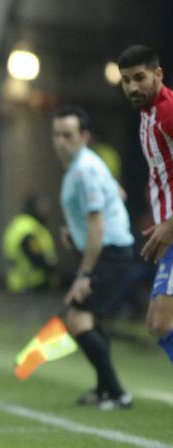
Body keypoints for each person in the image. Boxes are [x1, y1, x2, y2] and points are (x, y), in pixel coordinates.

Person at [52, 105, 134, 410]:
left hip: (110, 252)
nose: (61, 141)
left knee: (78, 318)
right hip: (108, 249)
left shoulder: (84, 170)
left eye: (68, 135)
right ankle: (104, 390)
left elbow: (98, 222)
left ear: (84, 136)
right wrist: (75, 231)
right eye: (56, 135)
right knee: (89, 319)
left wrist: (84, 274)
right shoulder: (84, 164)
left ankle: (117, 392)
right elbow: (120, 194)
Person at [118, 45, 173, 363]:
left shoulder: (167, 111)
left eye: (139, 78)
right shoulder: (146, 113)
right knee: (156, 323)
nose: (133, 87)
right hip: (167, 232)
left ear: (158, 74)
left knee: (162, 322)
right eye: (126, 80)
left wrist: (170, 222)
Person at [3, 193, 58, 294]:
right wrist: (59, 273)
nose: (46, 210)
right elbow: (36, 257)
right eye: (42, 207)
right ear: (34, 208)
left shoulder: (22, 224)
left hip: (23, 286)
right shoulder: (28, 228)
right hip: (29, 285)